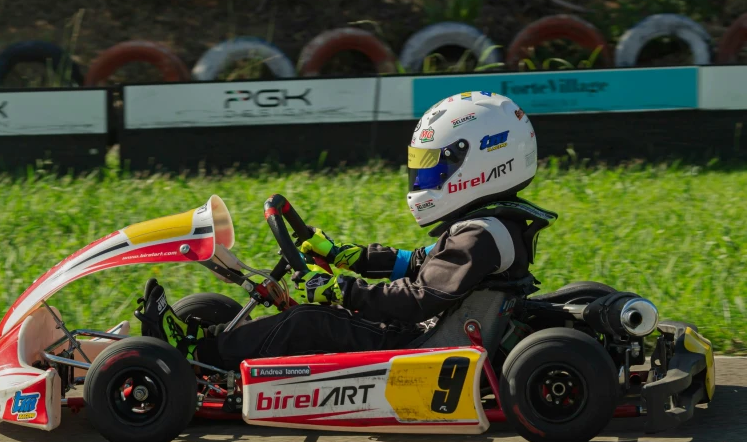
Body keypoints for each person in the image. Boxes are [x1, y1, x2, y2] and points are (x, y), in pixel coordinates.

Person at [141, 91, 551, 370]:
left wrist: (342, 291)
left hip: (418, 344)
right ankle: (216, 337)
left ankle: (200, 353)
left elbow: (419, 298)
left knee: (306, 321)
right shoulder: (489, 225)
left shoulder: (479, 234)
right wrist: (341, 254)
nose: (425, 177)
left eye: (435, 166)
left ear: (481, 163)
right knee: (314, 311)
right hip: (430, 329)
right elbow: (416, 265)